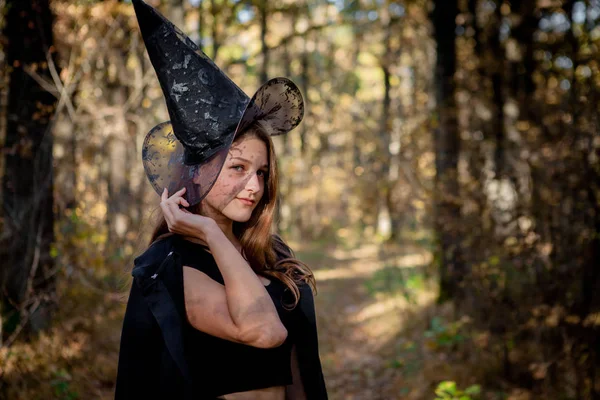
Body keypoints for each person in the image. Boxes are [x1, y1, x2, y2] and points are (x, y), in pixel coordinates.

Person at [114, 1, 328, 399]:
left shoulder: (272, 253)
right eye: (237, 169)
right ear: (197, 173)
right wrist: (211, 234)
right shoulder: (171, 263)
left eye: (261, 173)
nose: (254, 186)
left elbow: (298, 369)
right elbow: (263, 331)